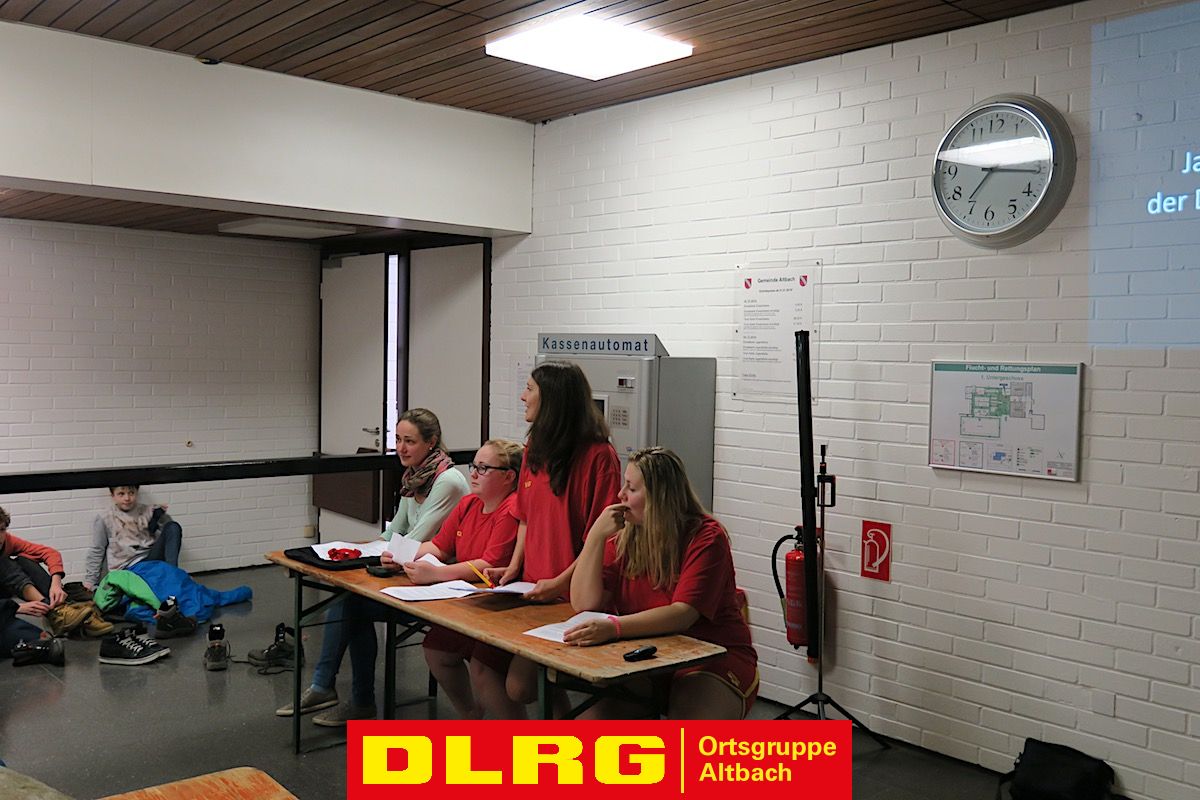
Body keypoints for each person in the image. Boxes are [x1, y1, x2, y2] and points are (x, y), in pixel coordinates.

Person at [276, 408, 468, 725]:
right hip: (410, 570)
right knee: (349, 603)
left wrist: (380, 553)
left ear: (432, 442)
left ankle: (343, 695)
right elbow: (395, 532)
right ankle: (337, 693)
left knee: (350, 605)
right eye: (398, 440)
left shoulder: (447, 480)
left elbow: (417, 537)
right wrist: (364, 550)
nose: (401, 448)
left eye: (410, 441)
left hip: (440, 582)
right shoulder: (414, 476)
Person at [565, 447, 759, 720]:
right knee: (595, 726)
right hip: (647, 653)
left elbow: (683, 614)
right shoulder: (626, 536)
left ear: (659, 497)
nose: (620, 495)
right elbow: (584, 602)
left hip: (711, 654)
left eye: (631, 488)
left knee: (688, 724)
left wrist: (615, 627)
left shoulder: (706, 536)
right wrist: (595, 537)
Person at [489, 361, 621, 709]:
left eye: (530, 389)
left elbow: (599, 539)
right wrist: (514, 567)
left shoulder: (599, 456)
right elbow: (525, 517)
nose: (523, 396)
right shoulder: (535, 447)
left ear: (553, 399)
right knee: (518, 684)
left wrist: (560, 582)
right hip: (533, 590)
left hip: (571, 595)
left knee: (522, 685)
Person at [377, 438, 525, 719]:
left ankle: (518, 737)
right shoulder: (469, 503)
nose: (474, 474)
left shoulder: (511, 508)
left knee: (484, 669)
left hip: (500, 606)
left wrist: (437, 574)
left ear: (509, 477)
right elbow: (440, 547)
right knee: (436, 650)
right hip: (467, 602)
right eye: (474, 466)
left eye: (483, 468)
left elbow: (490, 563)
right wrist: (401, 556)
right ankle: (470, 715)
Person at [0, 506, 107, 638]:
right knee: (3, 562)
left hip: (8, 585)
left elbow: (50, 553)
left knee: (24, 560)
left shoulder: (8, 541)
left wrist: (56, 584)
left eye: (2, 530)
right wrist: (16, 607)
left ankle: (61, 611)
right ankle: (57, 612)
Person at [83, 486, 183, 591]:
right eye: (121, 494)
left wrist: (160, 517)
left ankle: (173, 577)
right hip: (126, 569)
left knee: (173, 526)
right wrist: (90, 580)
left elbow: (170, 538)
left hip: (150, 561)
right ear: (113, 495)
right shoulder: (105, 517)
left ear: (136, 493)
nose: (127, 498)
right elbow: (97, 549)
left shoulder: (148, 511)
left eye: (131, 493)